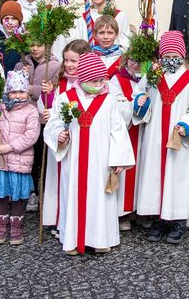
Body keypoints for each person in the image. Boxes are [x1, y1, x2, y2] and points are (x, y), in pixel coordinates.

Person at [44, 52, 135, 255]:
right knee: (73, 196)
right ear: (82, 79)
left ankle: (100, 238)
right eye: (93, 80)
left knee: (99, 198)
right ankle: (73, 240)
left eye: (101, 80)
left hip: (100, 161)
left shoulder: (108, 100)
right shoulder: (65, 99)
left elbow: (117, 130)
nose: (98, 84)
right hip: (74, 160)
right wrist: (59, 134)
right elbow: (54, 123)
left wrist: (118, 159)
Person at [133, 30, 189, 244]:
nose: (170, 59)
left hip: (177, 138)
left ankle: (177, 221)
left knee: (178, 178)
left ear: (182, 56)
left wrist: (187, 125)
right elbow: (139, 95)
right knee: (154, 175)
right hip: (155, 136)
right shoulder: (153, 76)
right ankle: (156, 218)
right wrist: (140, 103)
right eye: (167, 55)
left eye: (175, 55)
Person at [39, 40, 91, 234]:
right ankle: (58, 219)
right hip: (59, 141)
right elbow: (49, 108)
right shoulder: (59, 83)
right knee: (57, 180)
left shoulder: (92, 85)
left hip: (81, 141)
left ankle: (77, 221)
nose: (69, 65)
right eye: (66, 60)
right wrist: (46, 110)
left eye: (74, 61)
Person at [0, 70, 40, 245]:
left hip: (19, 159)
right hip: (0, 162)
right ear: (7, 92)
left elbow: (31, 135)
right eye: (13, 92)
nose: (17, 95)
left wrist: (10, 147)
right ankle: (1, 225)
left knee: (18, 195)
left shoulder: (31, 110)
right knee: (1, 194)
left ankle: (16, 225)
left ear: (26, 92)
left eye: (21, 91)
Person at [14, 41, 60, 214]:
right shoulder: (21, 64)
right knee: (29, 157)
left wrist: (33, 88)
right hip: (24, 118)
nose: (35, 48)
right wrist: (22, 77)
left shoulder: (54, 65)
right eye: (31, 45)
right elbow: (13, 87)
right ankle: (32, 192)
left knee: (43, 156)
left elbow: (54, 89)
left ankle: (45, 192)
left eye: (39, 45)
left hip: (42, 118)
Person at [107, 54, 144, 231]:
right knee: (127, 171)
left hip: (146, 132)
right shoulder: (118, 79)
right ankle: (123, 212)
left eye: (141, 60)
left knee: (144, 171)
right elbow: (116, 104)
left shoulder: (152, 77)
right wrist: (134, 105)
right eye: (133, 59)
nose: (136, 64)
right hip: (128, 131)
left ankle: (143, 210)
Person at [0, 1, 24, 74]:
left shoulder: (24, 42)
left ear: (19, 21)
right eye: (6, 18)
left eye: (14, 18)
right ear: (1, 21)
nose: (10, 22)